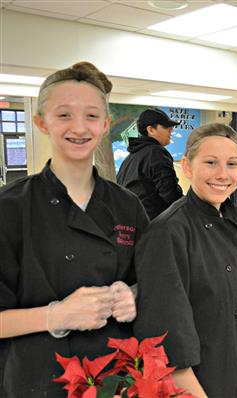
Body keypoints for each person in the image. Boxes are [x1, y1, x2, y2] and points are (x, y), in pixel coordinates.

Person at [0, 62, 148, 396]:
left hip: (115, 376)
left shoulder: (128, 206)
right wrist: (55, 316)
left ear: (106, 124)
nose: (79, 127)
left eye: (92, 116)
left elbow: (153, 279)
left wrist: (134, 295)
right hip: (36, 378)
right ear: (41, 122)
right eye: (64, 115)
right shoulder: (9, 207)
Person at [134, 123, 237, 397]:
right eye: (210, 163)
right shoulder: (168, 232)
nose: (223, 174)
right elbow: (168, 344)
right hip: (205, 384)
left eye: (232, 164)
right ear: (187, 167)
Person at [116, 108, 183, 220]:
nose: (171, 130)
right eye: (166, 126)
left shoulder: (132, 156)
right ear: (151, 130)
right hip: (153, 225)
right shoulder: (156, 152)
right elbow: (170, 193)